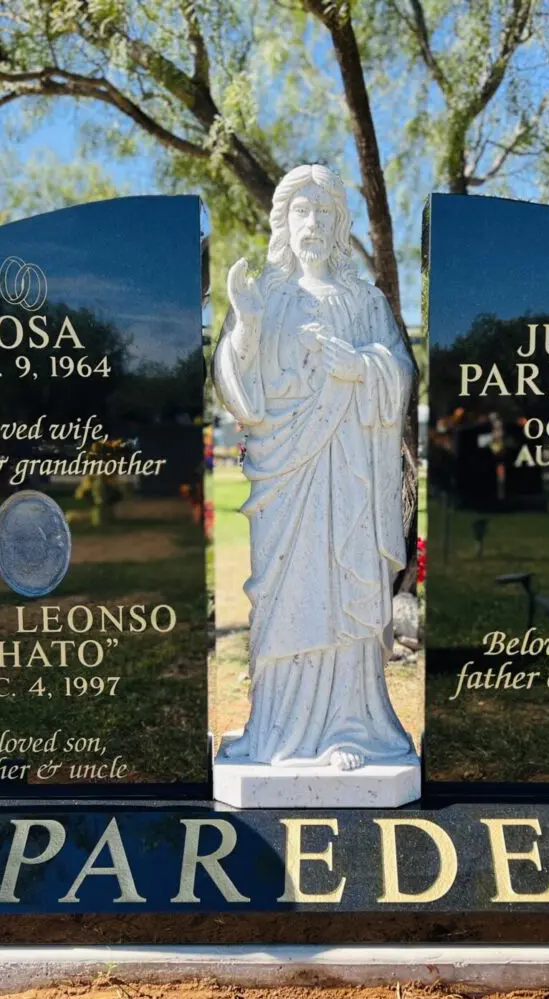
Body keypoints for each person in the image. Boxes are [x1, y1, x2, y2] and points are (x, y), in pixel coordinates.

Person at [213, 163, 416, 771]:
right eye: (301, 212)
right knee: (284, 593)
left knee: (343, 585)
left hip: (349, 468)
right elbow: (233, 382)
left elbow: (401, 372)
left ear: (338, 226)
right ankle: (276, 729)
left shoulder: (364, 299)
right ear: (283, 222)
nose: (312, 223)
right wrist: (246, 324)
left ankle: (348, 727)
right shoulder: (265, 293)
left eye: (323, 213)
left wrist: (362, 367)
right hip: (285, 474)